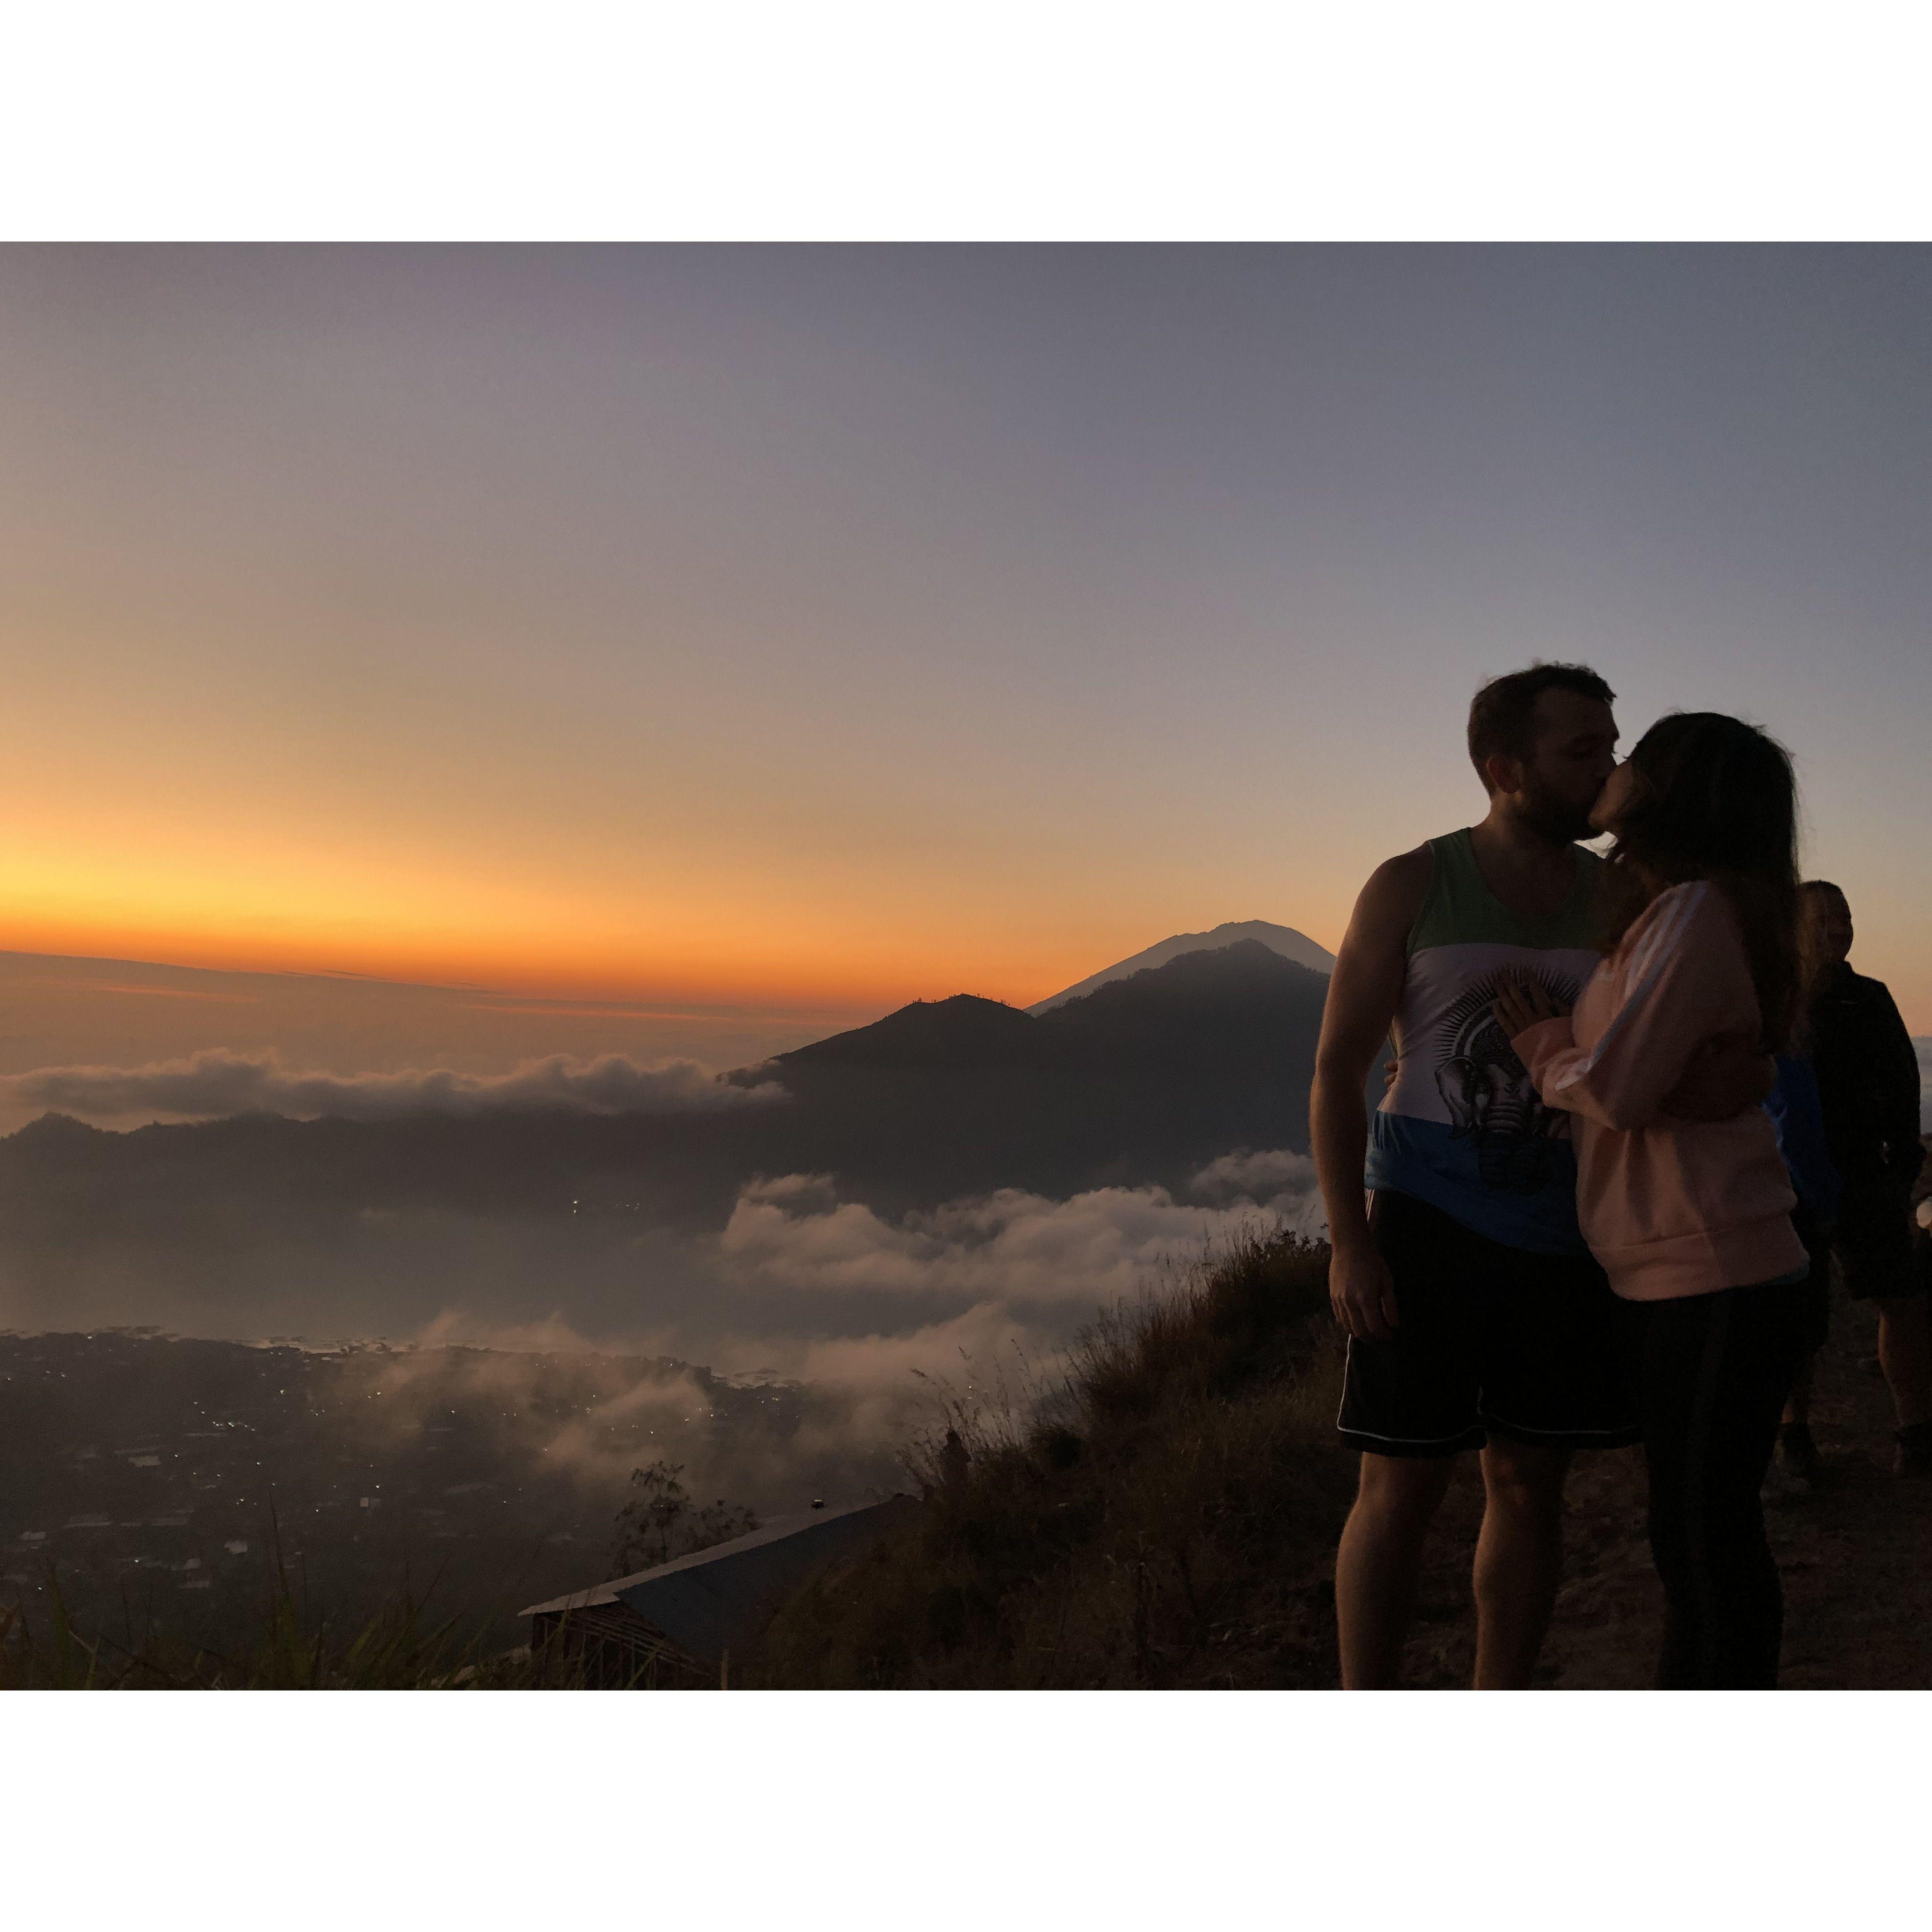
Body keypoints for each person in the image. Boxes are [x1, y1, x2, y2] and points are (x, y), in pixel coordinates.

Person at [1313, 663, 1768, 1690]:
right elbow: (1339, 1067)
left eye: (1613, 745)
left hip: (1571, 1232)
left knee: (1529, 1481)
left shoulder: (1624, 897)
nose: (1609, 768)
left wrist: (1741, 1067)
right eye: (1583, 751)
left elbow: (1678, 1030)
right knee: (1399, 1487)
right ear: (1504, 768)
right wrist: (1350, 1238)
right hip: (1426, 1223)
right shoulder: (1413, 883)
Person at [1498, 711, 1810, 1689]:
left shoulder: (1691, 911)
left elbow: (1623, 1089)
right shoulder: (1691, 910)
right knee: (1699, 1532)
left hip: (1713, 1272)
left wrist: (1548, 1050)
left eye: (1635, 755)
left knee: (1701, 1537)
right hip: (1698, 1271)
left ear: (1675, 791)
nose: (1616, 766)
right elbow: (1645, 1082)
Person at [1777, 881, 1930, 1475]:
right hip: (1788, 1182)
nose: (1838, 929)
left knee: (1903, 1300)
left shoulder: (1869, 997)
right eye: (1823, 919)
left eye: (1844, 917)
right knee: (1796, 1317)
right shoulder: (1772, 998)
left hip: (1868, 1176)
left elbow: (1901, 1079)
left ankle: (1915, 1430)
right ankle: (1796, 1438)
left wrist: (1903, 1164)